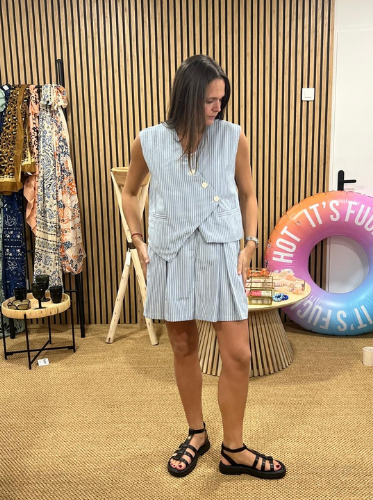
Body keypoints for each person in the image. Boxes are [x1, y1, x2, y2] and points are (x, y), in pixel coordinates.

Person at [122, 55, 285, 479]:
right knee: (183, 347)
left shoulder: (233, 137)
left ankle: (234, 448)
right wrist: (138, 239)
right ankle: (197, 434)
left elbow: (248, 194)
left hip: (221, 251)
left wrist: (250, 243)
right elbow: (129, 192)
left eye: (222, 100)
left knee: (238, 353)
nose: (218, 108)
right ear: (187, 97)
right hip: (171, 253)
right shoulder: (148, 141)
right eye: (210, 100)